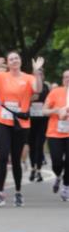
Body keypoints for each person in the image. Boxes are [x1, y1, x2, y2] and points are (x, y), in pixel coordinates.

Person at [0, 52, 43, 206]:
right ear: (8, 63)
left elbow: (38, 89)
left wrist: (37, 72)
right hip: (2, 121)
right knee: (3, 155)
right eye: (11, 59)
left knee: (15, 158)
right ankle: (0, 193)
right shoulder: (1, 76)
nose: (14, 60)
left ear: (20, 61)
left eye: (17, 58)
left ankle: (18, 192)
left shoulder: (28, 78)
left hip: (20, 122)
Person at [42, 70, 69, 200]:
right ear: (62, 79)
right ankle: (58, 175)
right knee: (57, 162)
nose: (67, 79)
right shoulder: (55, 92)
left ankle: (66, 187)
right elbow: (44, 111)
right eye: (65, 77)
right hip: (55, 133)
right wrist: (57, 110)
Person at [28, 71, 50, 181]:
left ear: (43, 76)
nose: (38, 76)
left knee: (39, 145)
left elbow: (50, 102)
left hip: (43, 121)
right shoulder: (29, 86)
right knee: (32, 146)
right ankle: (32, 168)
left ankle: (39, 171)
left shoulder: (46, 87)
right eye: (36, 74)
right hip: (31, 121)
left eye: (41, 74)